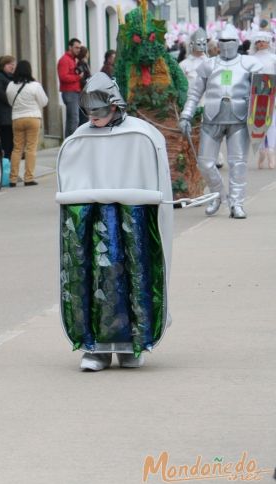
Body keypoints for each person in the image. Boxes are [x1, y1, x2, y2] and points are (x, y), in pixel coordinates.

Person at [56, 72, 173, 371]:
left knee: (133, 276)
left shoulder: (141, 135)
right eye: (90, 114)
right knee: (94, 279)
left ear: (115, 106)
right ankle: (95, 348)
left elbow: (155, 180)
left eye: (100, 113)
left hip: (132, 220)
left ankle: (132, 345)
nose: (94, 120)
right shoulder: (79, 139)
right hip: (92, 223)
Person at [179, 24, 263, 219]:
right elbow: (194, 94)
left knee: (238, 163)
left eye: (230, 41)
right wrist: (186, 115)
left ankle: (237, 203)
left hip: (239, 119)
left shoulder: (250, 64)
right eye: (222, 41)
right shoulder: (208, 65)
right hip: (212, 118)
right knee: (205, 163)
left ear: (237, 42)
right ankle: (218, 195)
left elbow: (261, 92)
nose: (226, 45)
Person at [6, 60, 48, 187]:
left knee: (17, 148)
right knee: (31, 148)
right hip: (33, 118)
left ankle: (13, 178)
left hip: (17, 119)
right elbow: (44, 101)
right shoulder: (35, 85)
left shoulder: (10, 85)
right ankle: (28, 177)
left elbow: (9, 102)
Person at [250, 30, 276, 169]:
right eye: (258, 41)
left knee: (271, 123)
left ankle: (271, 151)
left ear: (268, 41)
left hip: (272, 93)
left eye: (263, 40)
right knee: (258, 123)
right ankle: (261, 151)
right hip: (256, 94)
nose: (261, 43)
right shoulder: (251, 58)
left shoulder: (273, 58)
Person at [58, 38, 83, 137]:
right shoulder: (64, 60)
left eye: (79, 48)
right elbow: (63, 77)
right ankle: (70, 143)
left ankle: (68, 142)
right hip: (70, 92)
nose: (78, 50)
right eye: (76, 47)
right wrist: (77, 77)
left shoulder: (73, 60)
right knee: (74, 119)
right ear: (70, 47)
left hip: (75, 92)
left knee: (72, 120)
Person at [0, 55, 16, 159]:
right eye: (10, 64)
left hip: (14, 115)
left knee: (13, 144)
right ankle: (7, 168)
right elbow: (0, 94)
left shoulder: (13, 77)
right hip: (5, 116)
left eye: (13, 64)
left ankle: (12, 168)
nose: (12, 66)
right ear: (3, 65)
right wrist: (13, 100)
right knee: (7, 144)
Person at [76, 46, 92, 126]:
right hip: (83, 91)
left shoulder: (85, 63)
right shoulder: (82, 64)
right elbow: (82, 78)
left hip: (84, 91)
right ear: (85, 54)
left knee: (85, 115)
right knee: (84, 116)